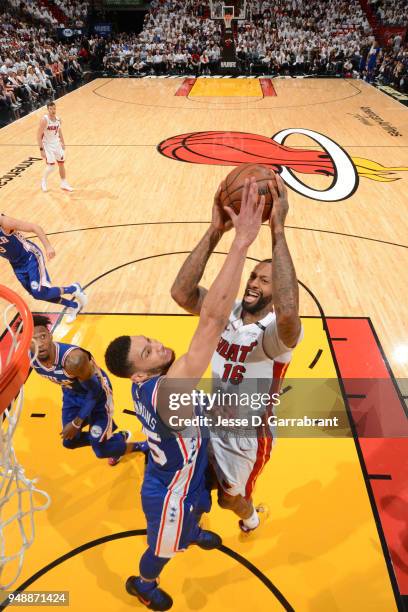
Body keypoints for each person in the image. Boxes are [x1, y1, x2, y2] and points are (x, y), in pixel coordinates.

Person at [104, 178, 265, 610]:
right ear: (138, 375)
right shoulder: (168, 390)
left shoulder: (152, 385)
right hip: (168, 489)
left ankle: (192, 530)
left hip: (189, 469)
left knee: (199, 508)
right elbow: (211, 321)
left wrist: (216, 231)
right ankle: (142, 583)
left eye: (149, 340)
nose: (157, 345)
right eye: (148, 351)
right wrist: (240, 243)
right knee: (161, 548)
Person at [171, 173, 302, 533]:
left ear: (278, 291)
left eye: (266, 280)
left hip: (249, 433)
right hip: (212, 414)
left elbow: (290, 312)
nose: (255, 283)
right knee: (190, 471)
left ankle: (251, 516)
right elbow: (182, 293)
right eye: (254, 277)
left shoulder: (278, 335)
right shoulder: (227, 311)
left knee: (229, 499)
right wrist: (216, 230)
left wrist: (278, 232)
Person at [30, 315, 148, 466]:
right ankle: (116, 439)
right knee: (69, 443)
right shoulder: (31, 358)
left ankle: (142, 446)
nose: (39, 344)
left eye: (42, 336)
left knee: (101, 450)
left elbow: (96, 392)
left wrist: (76, 422)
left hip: (98, 396)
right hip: (72, 395)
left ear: (51, 335)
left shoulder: (73, 360)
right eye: (33, 340)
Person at [0, 213, 86, 323]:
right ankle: (73, 305)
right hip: (16, 265)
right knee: (38, 295)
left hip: (30, 257)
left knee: (39, 292)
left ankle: (73, 289)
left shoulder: (4, 222)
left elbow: (35, 227)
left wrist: (48, 246)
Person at [37, 101, 73, 193]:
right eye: (51, 109)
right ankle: (43, 181)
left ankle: (63, 183)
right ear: (48, 109)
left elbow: (59, 131)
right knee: (51, 166)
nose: (53, 110)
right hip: (47, 145)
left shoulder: (58, 120)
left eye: (54, 108)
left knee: (61, 163)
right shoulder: (44, 120)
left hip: (56, 143)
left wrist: (63, 142)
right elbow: (38, 135)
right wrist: (41, 149)